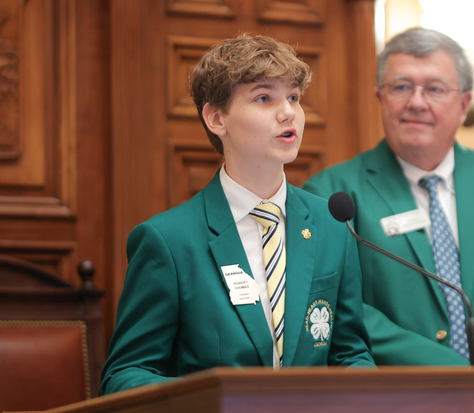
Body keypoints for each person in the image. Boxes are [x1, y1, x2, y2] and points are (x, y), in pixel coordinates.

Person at [100, 34, 374, 394]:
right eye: (264, 98)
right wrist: (216, 407)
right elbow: (125, 374)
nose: (288, 111)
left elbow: (350, 354)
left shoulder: (332, 225)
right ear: (216, 117)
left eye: (293, 97)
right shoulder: (168, 241)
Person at [304, 27, 474, 366]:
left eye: (435, 89)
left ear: (464, 104)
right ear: (380, 99)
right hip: (398, 403)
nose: (416, 102)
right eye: (401, 87)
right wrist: (459, 374)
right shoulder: (330, 196)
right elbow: (340, 307)